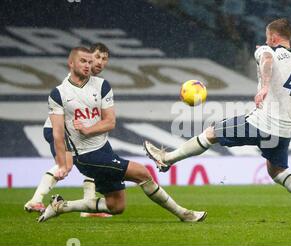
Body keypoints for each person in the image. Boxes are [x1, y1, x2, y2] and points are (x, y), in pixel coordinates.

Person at [144, 18, 291, 224]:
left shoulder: (267, 50)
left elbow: (268, 59)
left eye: (268, 37)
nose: (265, 41)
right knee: (276, 170)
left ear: (274, 37)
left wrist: (265, 85)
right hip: (284, 128)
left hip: (262, 122)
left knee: (212, 133)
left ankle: (166, 159)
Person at [37, 47, 207, 223]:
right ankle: (184, 214)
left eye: (89, 61)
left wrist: (88, 129)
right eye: (83, 61)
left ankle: (61, 206)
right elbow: (57, 133)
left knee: (116, 206)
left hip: (104, 149)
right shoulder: (58, 94)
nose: (88, 65)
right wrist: (62, 163)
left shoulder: (102, 85)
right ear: (70, 63)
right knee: (142, 173)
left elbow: (110, 122)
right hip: (85, 156)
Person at [24, 43, 113, 218]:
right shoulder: (73, 83)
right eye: (96, 57)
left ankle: (89, 206)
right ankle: (36, 199)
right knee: (66, 164)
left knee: (96, 161)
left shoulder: (95, 85)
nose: (99, 63)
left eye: (104, 59)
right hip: (61, 130)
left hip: (76, 133)